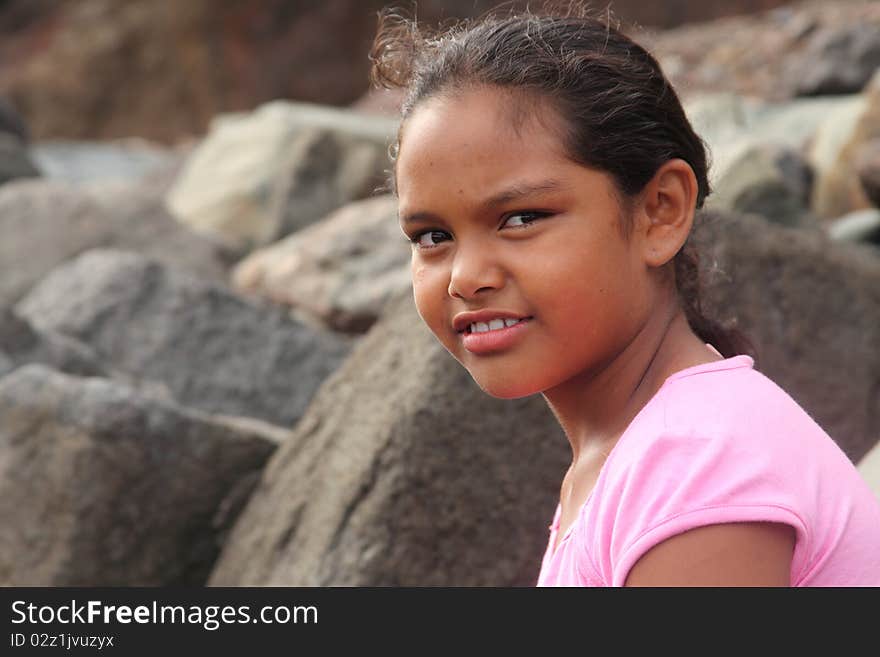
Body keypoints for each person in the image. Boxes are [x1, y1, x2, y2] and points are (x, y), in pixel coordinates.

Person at [368, 2, 880, 586]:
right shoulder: (644, 452)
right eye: (433, 236)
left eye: (520, 218)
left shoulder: (700, 468)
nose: (465, 276)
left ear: (660, 211)